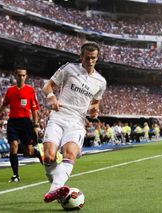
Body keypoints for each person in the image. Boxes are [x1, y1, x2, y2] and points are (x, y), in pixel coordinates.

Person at [41, 42, 106, 203]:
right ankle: (57, 184)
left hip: (77, 122)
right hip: (58, 116)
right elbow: (47, 86)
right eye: (87, 58)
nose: (90, 61)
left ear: (97, 59)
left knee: (69, 155)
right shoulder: (69, 68)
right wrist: (52, 97)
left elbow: (95, 103)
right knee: (49, 157)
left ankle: (54, 189)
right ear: (81, 57)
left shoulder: (100, 81)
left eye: (93, 58)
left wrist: (94, 110)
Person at [0, 68, 41, 183]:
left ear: (26, 76)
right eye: (19, 75)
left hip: (25, 122)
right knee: (13, 146)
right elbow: (4, 104)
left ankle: (39, 154)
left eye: (23, 75)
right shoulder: (10, 90)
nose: (21, 77)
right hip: (13, 122)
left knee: (28, 152)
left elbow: (34, 109)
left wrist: (35, 125)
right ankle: (15, 175)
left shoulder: (30, 90)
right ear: (15, 76)